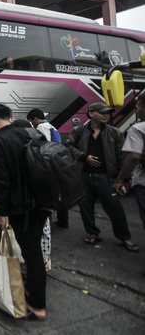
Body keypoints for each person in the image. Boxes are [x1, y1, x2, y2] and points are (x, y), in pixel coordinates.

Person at [0, 104, 50, 321]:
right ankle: (33, 293)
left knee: (32, 254)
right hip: (42, 202)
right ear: (12, 118)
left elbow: (2, 181)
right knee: (33, 250)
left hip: (21, 207)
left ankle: (38, 306)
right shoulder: (30, 133)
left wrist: (1, 213)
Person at [66, 103, 139, 252]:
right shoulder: (78, 131)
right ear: (91, 113)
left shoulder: (115, 132)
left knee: (115, 208)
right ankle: (92, 233)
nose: (106, 115)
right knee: (85, 207)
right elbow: (69, 146)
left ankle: (124, 237)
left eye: (108, 113)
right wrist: (84, 156)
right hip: (84, 175)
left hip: (106, 177)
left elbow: (122, 156)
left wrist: (124, 178)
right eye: (103, 112)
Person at [12, 118, 53, 273]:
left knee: (28, 237)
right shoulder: (41, 143)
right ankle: (45, 262)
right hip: (45, 199)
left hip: (27, 201)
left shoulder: (20, 146)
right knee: (45, 232)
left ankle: (30, 268)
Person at [26, 108, 68, 229]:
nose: (32, 124)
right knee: (59, 193)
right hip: (58, 161)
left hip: (49, 164)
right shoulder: (51, 126)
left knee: (49, 195)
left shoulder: (40, 127)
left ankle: (47, 223)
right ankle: (63, 220)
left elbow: (44, 146)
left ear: (35, 118)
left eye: (31, 121)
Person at [114, 95, 145, 231]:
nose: (137, 111)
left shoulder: (138, 129)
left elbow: (133, 157)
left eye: (138, 107)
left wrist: (121, 179)